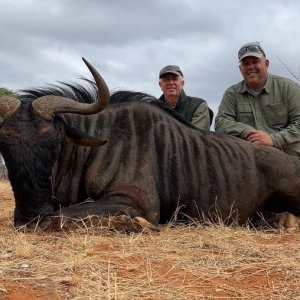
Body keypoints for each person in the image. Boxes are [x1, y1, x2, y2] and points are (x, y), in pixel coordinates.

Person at [215, 41, 300, 157]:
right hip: (248, 155)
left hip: (287, 153)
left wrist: (273, 139)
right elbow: (221, 122)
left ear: (266, 63)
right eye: (245, 64)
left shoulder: (289, 87)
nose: (250, 67)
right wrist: (248, 132)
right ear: (240, 69)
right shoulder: (232, 93)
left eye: (255, 62)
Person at [158, 65, 213, 130]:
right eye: (166, 79)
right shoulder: (153, 107)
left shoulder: (198, 106)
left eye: (174, 78)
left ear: (182, 83)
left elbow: (197, 137)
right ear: (160, 85)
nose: (171, 82)